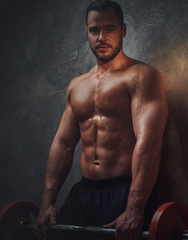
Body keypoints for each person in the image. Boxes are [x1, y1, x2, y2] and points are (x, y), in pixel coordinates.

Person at [34, 0, 168, 239]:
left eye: (109, 29)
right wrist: (47, 203)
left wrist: (135, 207)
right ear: (87, 32)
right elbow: (63, 145)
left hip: (125, 190)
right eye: (94, 30)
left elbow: (148, 144)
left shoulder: (142, 76)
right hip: (84, 192)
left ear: (123, 30)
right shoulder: (77, 85)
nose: (101, 37)